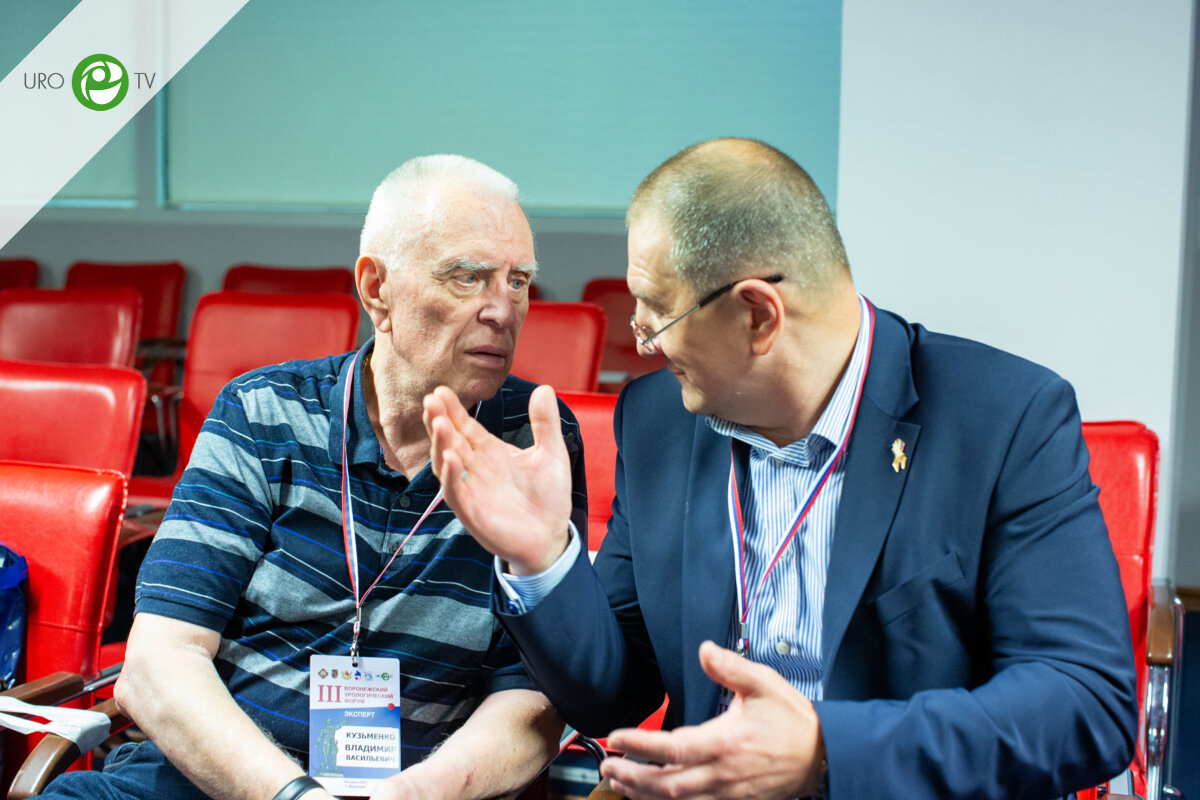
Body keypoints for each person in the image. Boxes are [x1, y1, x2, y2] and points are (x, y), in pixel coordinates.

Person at [422, 138, 1138, 799]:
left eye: (657, 312)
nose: (640, 341)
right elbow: (614, 695)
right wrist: (544, 558)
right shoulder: (660, 421)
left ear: (759, 315)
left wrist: (828, 748)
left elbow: (1086, 703)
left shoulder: (1003, 419)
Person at [40, 155, 587, 800]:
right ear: (376, 288)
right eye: (468, 276)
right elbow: (159, 662)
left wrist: (412, 795)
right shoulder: (263, 412)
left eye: (518, 281)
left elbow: (532, 701)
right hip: (214, 778)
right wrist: (291, 795)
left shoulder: (532, 439)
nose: (502, 309)